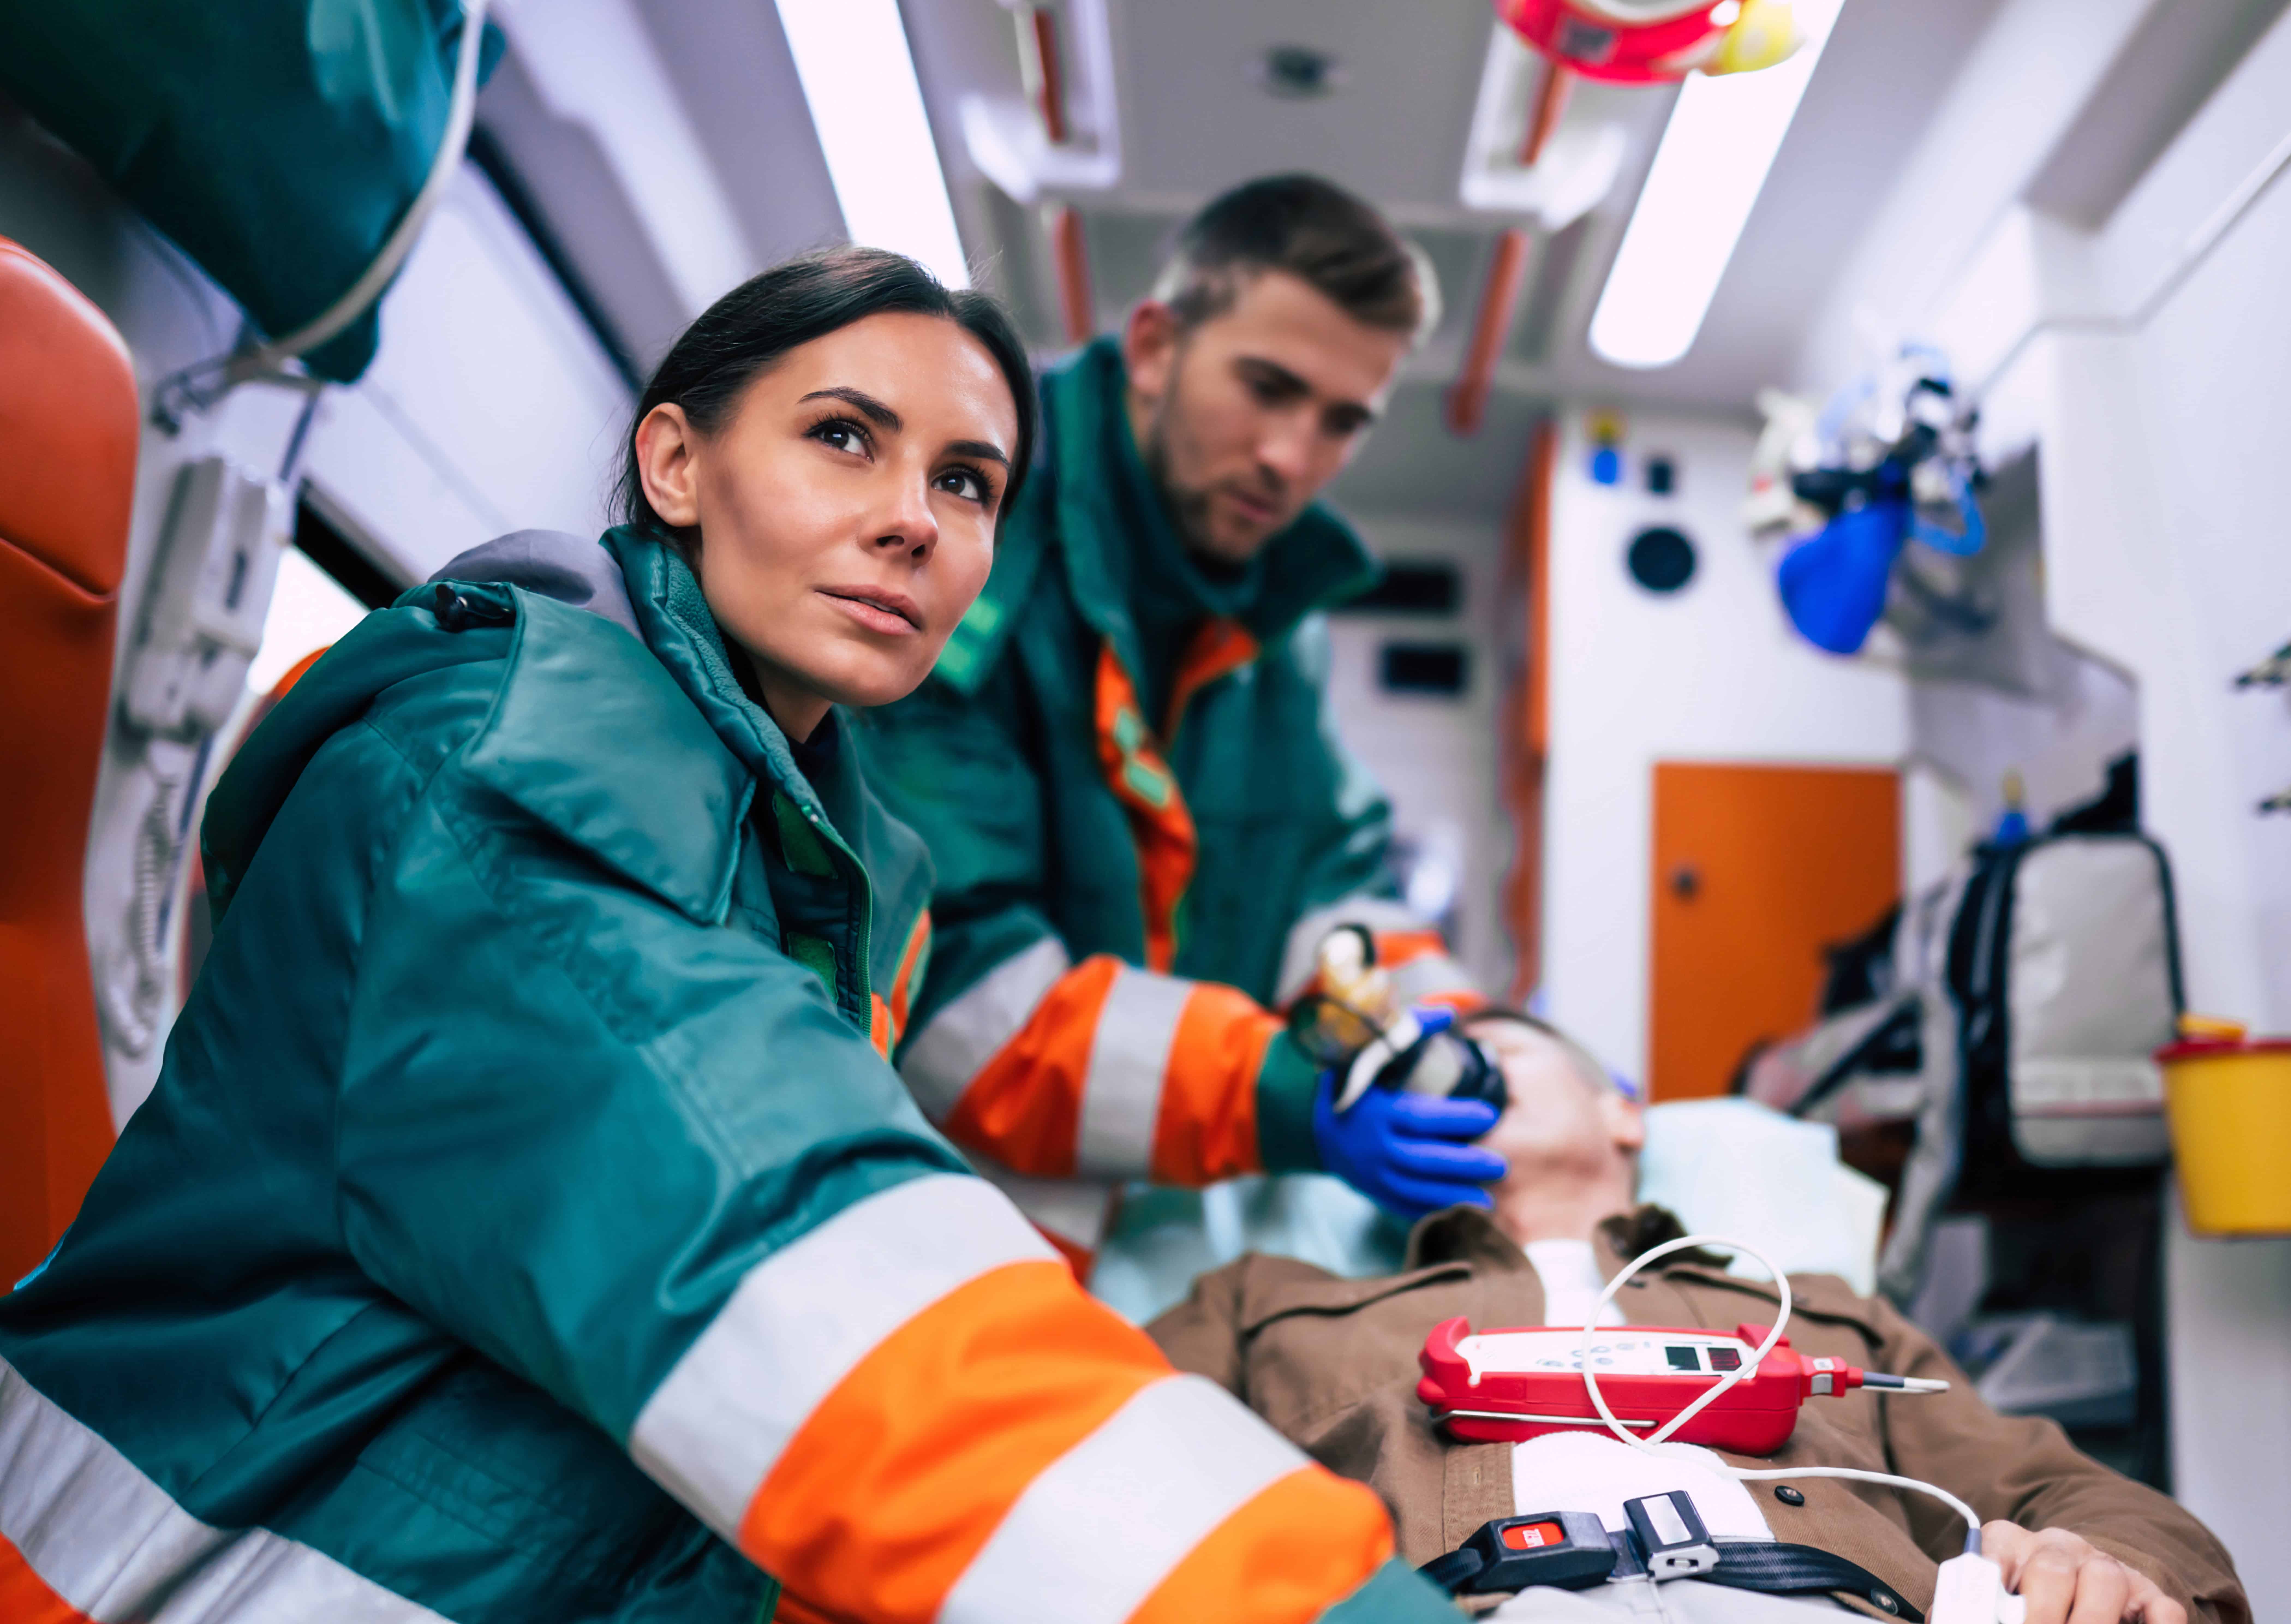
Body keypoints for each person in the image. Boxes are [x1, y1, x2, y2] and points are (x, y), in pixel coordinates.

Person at [0, 249, 1468, 1624]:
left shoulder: (833, 850)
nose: (913, 517)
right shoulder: (500, 779)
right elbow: (793, 1263)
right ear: (677, 464)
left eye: (967, 482)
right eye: (845, 437)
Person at [861, 175, 1502, 1257]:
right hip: (945, 1210)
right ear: (1156, 346)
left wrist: (1456, 1040)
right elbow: (950, 978)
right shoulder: (970, 528)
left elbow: (1329, 882)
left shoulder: (1270, 610)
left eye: (1343, 421)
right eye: (1267, 388)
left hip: (1157, 1211)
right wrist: (1280, 1095)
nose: (1294, 460)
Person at [1148, 1013, 2252, 1624]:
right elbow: (1091, 1459)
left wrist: (2099, 1563)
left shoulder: (1821, 1316)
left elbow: (2073, 1495)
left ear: (1623, 1109)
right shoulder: (1273, 1301)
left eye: (1500, 1054)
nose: (1461, 1081)